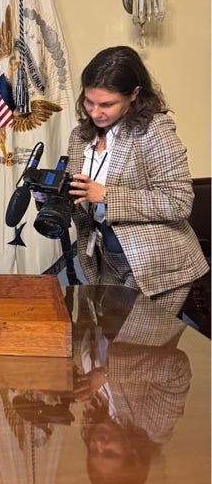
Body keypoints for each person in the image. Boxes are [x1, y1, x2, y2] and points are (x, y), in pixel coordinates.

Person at [67, 45, 207, 315]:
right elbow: (80, 193)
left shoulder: (155, 130)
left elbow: (179, 202)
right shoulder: (80, 136)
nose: (95, 113)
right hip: (105, 258)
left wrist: (106, 195)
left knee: (136, 351)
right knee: (110, 349)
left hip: (157, 263)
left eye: (106, 104)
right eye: (89, 101)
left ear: (134, 94)